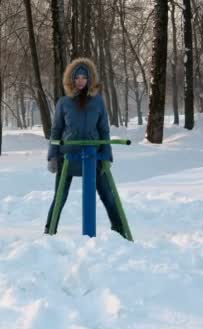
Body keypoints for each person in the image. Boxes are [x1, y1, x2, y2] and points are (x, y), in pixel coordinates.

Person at [45, 57, 124, 238]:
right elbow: (56, 130)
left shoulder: (97, 102)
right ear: (71, 80)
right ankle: (49, 232)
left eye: (84, 77)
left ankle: (120, 232)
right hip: (68, 158)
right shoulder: (63, 103)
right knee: (59, 198)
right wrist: (52, 156)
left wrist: (106, 157)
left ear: (90, 80)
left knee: (108, 196)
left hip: (93, 157)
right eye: (77, 77)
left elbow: (104, 130)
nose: (80, 81)